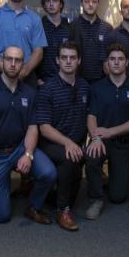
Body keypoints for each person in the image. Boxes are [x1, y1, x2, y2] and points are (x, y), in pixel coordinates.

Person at [0, 46, 56, 225]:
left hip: (19, 149)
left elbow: (33, 128)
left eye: (17, 60)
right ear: (2, 61)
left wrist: (28, 154)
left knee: (48, 173)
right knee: (1, 216)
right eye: (9, 59)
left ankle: (33, 206)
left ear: (22, 65)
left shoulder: (30, 93)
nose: (12, 64)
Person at [83, 44, 129, 219]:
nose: (116, 63)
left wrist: (110, 132)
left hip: (123, 145)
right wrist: (95, 138)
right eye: (112, 59)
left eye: (120, 59)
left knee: (118, 197)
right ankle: (96, 199)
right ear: (107, 63)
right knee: (91, 155)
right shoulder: (96, 87)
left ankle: (109, 181)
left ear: (127, 63)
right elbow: (91, 116)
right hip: (101, 142)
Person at [36, 41, 90, 231]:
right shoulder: (48, 88)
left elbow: (89, 118)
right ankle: (62, 211)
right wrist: (68, 143)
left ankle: (51, 197)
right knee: (69, 158)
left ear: (79, 61)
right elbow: (44, 127)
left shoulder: (84, 86)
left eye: (72, 58)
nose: (68, 61)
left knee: (71, 191)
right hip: (50, 144)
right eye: (64, 58)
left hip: (76, 142)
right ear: (58, 61)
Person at [69, 0, 115, 83]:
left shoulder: (107, 28)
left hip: (102, 81)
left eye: (94, 2)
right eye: (87, 1)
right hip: (77, 81)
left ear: (98, 4)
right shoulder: (72, 26)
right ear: (82, 3)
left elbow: (111, 55)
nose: (90, 4)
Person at [38, 0, 70, 83]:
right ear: (44, 5)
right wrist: (37, 78)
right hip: (43, 80)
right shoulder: (38, 26)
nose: (51, 4)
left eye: (55, 1)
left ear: (60, 5)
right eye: (48, 1)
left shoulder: (69, 28)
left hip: (65, 79)